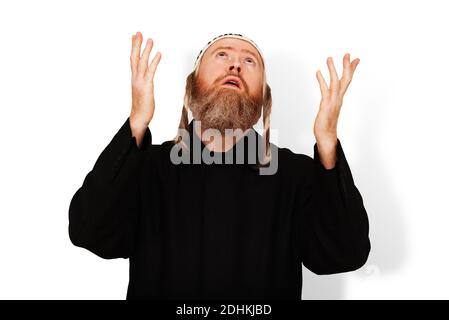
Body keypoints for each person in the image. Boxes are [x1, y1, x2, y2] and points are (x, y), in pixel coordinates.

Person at [68, 31, 370, 300]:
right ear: (191, 87)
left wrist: (328, 143)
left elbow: (344, 254)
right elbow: (90, 232)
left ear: (263, 98)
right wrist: (136, 122)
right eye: (222, 54)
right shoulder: (147, 166)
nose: (235, 65)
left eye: (250, 61)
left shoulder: (293, 174)